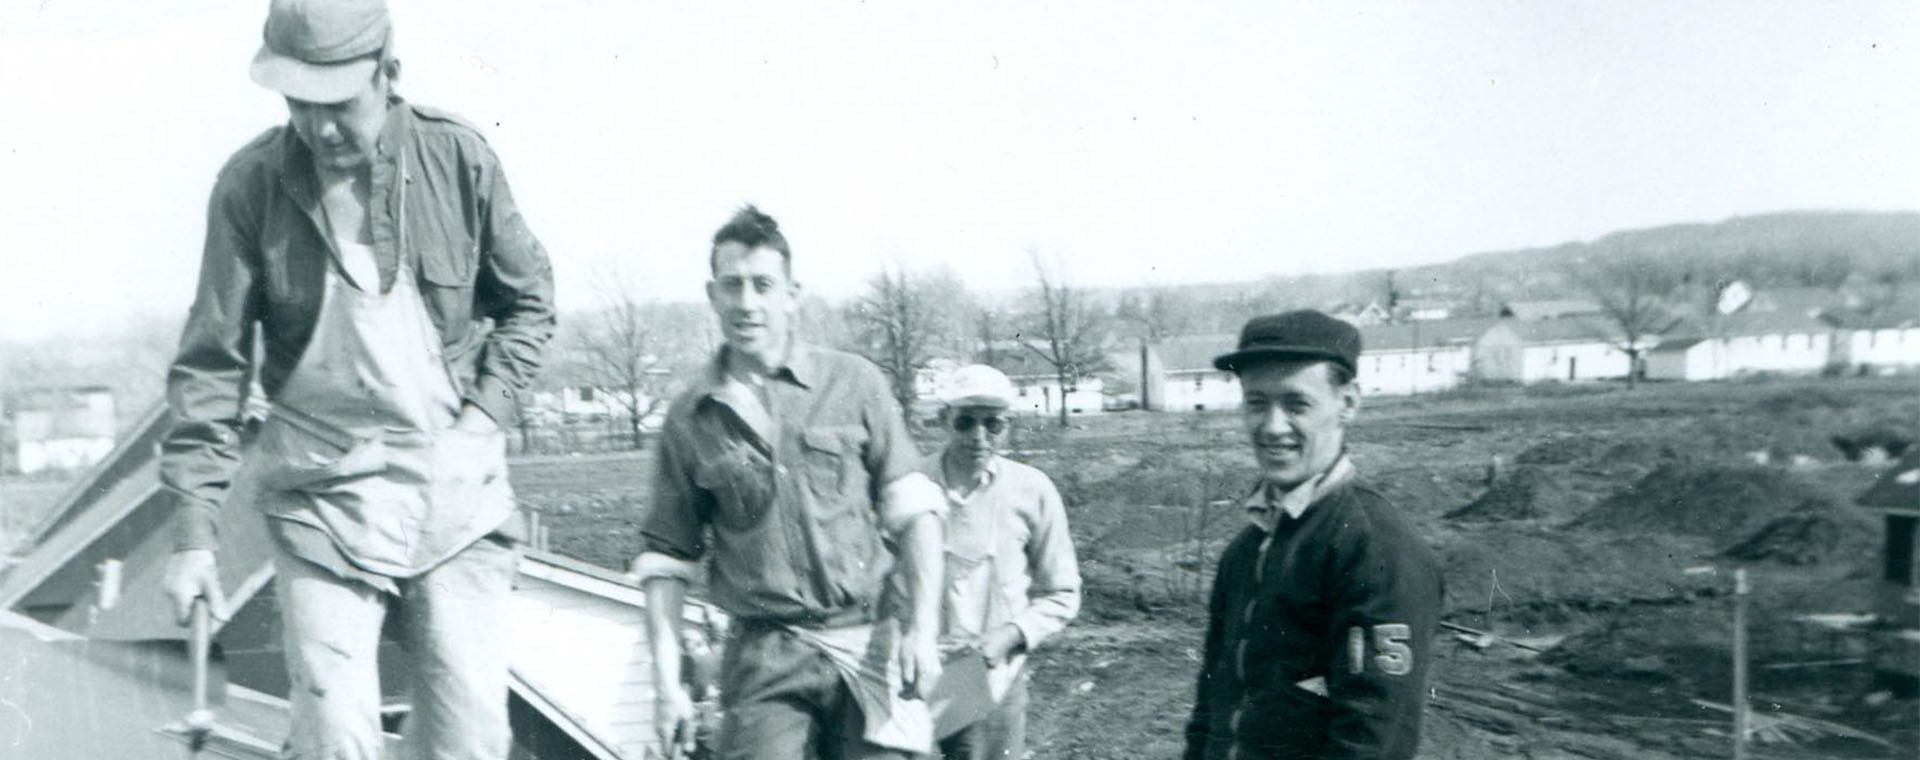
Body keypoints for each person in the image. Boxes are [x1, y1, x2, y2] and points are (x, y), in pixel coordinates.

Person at [158, 0, 556, 756]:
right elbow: (211, 366)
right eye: (299, 108)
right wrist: (194, 537)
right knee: (336, 734)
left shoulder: (459, 160)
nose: (321, 131)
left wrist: (481, 419)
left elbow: (531, 301)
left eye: (340, 106)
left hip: (455, 500)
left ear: (389, 75)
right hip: (321, 500)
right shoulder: (249, 190)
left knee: (471, 738)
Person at [634, 205, 946, 760]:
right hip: (764, 658)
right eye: (732, 285)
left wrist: (922, 631)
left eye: (762, 284)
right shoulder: (690, 418)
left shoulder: (855, 383)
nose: (747, 302)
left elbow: (916, 512)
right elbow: (665, 562)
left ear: (792, 293)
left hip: (869, 642)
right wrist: (666, 688)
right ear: (713, 295)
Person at [1183, 311, 1442, 760]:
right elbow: (1210, 710)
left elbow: (1374, 738)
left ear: (1348, 404)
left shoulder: (1375, 549)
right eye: (1256, 402)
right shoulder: (1246, 550)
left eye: (1296, 404)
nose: (1272, 426)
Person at [919, 365, 1081, 760]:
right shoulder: (912, 486)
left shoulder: (1031, 489)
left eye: (993, 424)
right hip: (915, 678)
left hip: (991, 679)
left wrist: (1010, 634)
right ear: (943, 420)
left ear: (1007, 425)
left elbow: (1063, 591)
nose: (979, 437)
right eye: (965, 422)